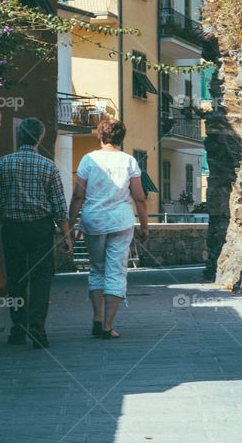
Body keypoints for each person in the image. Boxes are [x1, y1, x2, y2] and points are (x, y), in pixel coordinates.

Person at [0, 117, 72, 348]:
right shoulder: (49, 167)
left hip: (12, 228)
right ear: (40, 138)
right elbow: (59, 207)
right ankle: (37, 328)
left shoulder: (4, 163)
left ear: (19, 136)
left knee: (16, 279)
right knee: (41, 279)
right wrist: (66, 235)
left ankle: (18, 328)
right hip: (40, 229)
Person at [68, 118, 149, 339]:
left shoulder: (88, 160)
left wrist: (69, 225)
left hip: (93, 221)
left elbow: (78, 195)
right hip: (120, 222)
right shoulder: (129, 161)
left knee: (96, 269)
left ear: (100, 136)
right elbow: (139, 198)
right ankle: (107, 326)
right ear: (122, 138)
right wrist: (145, 226)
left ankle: (96, 319)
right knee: (116, 270)